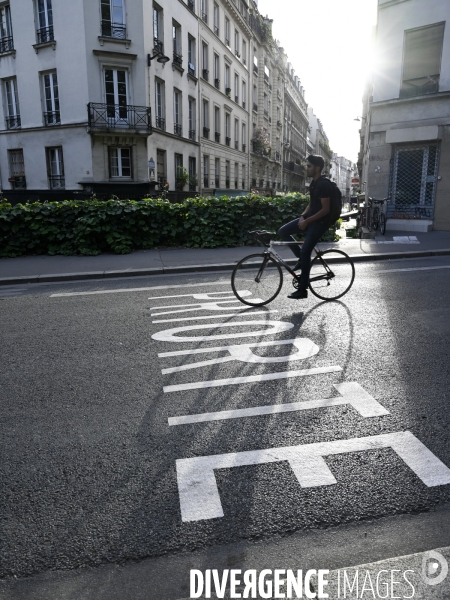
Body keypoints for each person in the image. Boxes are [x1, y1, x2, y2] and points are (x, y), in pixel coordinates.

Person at [277, 155, 334, 299]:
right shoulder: (313, 184)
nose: (306, 168)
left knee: (306, 251)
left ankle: (303, 290)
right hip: (310, 219)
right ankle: (302, 260)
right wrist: (303, 216)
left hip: (321, 222)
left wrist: (307, 221)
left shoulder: (324, 184)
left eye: (309, 166)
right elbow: (311, 204)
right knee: (283, 231)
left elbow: (325, 210)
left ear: (317, 168)